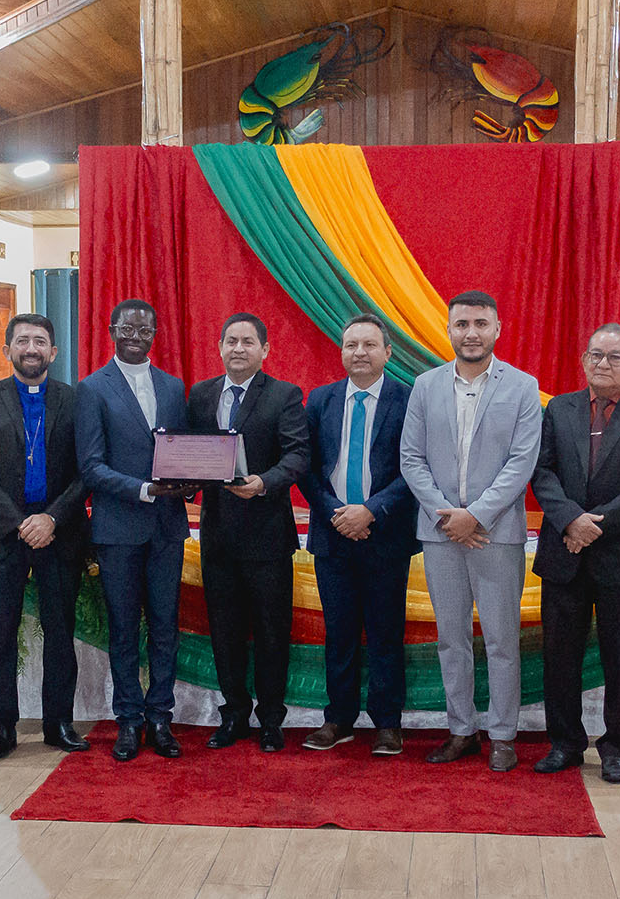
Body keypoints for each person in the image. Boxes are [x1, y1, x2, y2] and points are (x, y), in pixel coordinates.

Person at [399, 290, 542, 772]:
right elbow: (411, 458)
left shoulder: (522, 387)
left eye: (481, 324)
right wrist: (448, 516)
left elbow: (521, 461)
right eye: (462, 324)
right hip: (440, 532)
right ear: (449, 330)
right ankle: (461, 729)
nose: (471, 333)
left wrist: (476, 515)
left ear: (497, 328)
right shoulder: (425, 385)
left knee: (501, 640)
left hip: (495, 533)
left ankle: (502, 734)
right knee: (451, 638)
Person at [530, 324, 620, 782]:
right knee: (560, 657)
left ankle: (616, 749)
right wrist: (570, 520)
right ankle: (565, 743)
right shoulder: (559, 408)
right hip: (564, 553)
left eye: (615, 357)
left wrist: (592, 527)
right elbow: (542, 472)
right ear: (584, 360)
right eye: (595, 355)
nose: (603, 364)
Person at [0, 313, 91, 759]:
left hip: (60, 534)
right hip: (3, 536)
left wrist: (51, 518)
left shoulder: (74, 400)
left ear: (53, 352)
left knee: (60, 632)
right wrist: (21, 523)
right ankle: (1, 728)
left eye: (40, 341)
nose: (31, 348)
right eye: (22, 341)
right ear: (7, 350)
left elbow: (86, 470)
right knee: (2, 634)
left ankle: (59, 723)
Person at [77, 297, 194, 762]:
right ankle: (128, 719)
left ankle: (160, 717)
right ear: (111, 331)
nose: (135, 337)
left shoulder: (173, 386)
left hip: (167, 529)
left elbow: (182, 452)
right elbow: (90, 466)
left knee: (165, 627)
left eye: (144, 331)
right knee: (124, 630)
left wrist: (191, 482)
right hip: (118, 528)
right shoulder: (92, 388)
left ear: (154, 335)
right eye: (127, 329)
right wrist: (144, 489)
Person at [187, 313, 310, 752]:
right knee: (225, 633)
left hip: (267, 537)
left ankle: (271, 719)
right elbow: (190, 450)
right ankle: (234, 714)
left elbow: (298, 455)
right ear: (219, 347)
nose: (238, 348)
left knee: (272, 633)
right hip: (217, 536)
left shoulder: (283, 395)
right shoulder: (201, 394)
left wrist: (264, 482)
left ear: (265, 350)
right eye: (231, 341)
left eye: (248, 341)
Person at [299, 314, 416, 757]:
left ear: (388, 352)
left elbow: (416, 468)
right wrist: (336, 512)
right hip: (332, 534)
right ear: (342, 352)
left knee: (386, 633)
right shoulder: (321, 399)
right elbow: (306, 467)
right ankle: (338, 719)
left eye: (369, 345)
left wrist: (370, 510)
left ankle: (387, 722)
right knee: (339, 632)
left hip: (386, 535)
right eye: (351, 345)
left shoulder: (408, 400)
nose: (360, 353)